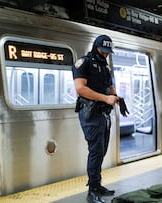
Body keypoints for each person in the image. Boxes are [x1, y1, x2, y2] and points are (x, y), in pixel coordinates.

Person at [72, 35, 119, 203]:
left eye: (108, 52)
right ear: (95, 47)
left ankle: (97, 185)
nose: (105, 54)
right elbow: (80, 88)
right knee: (96, 150)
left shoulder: (105, 67)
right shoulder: (84, 63)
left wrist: (114, 96)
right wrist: (106, 99)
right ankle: (92, 190)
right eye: (103, 51)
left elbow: (110, 86)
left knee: (102, 150)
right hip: (90, 113)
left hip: (103, 114)